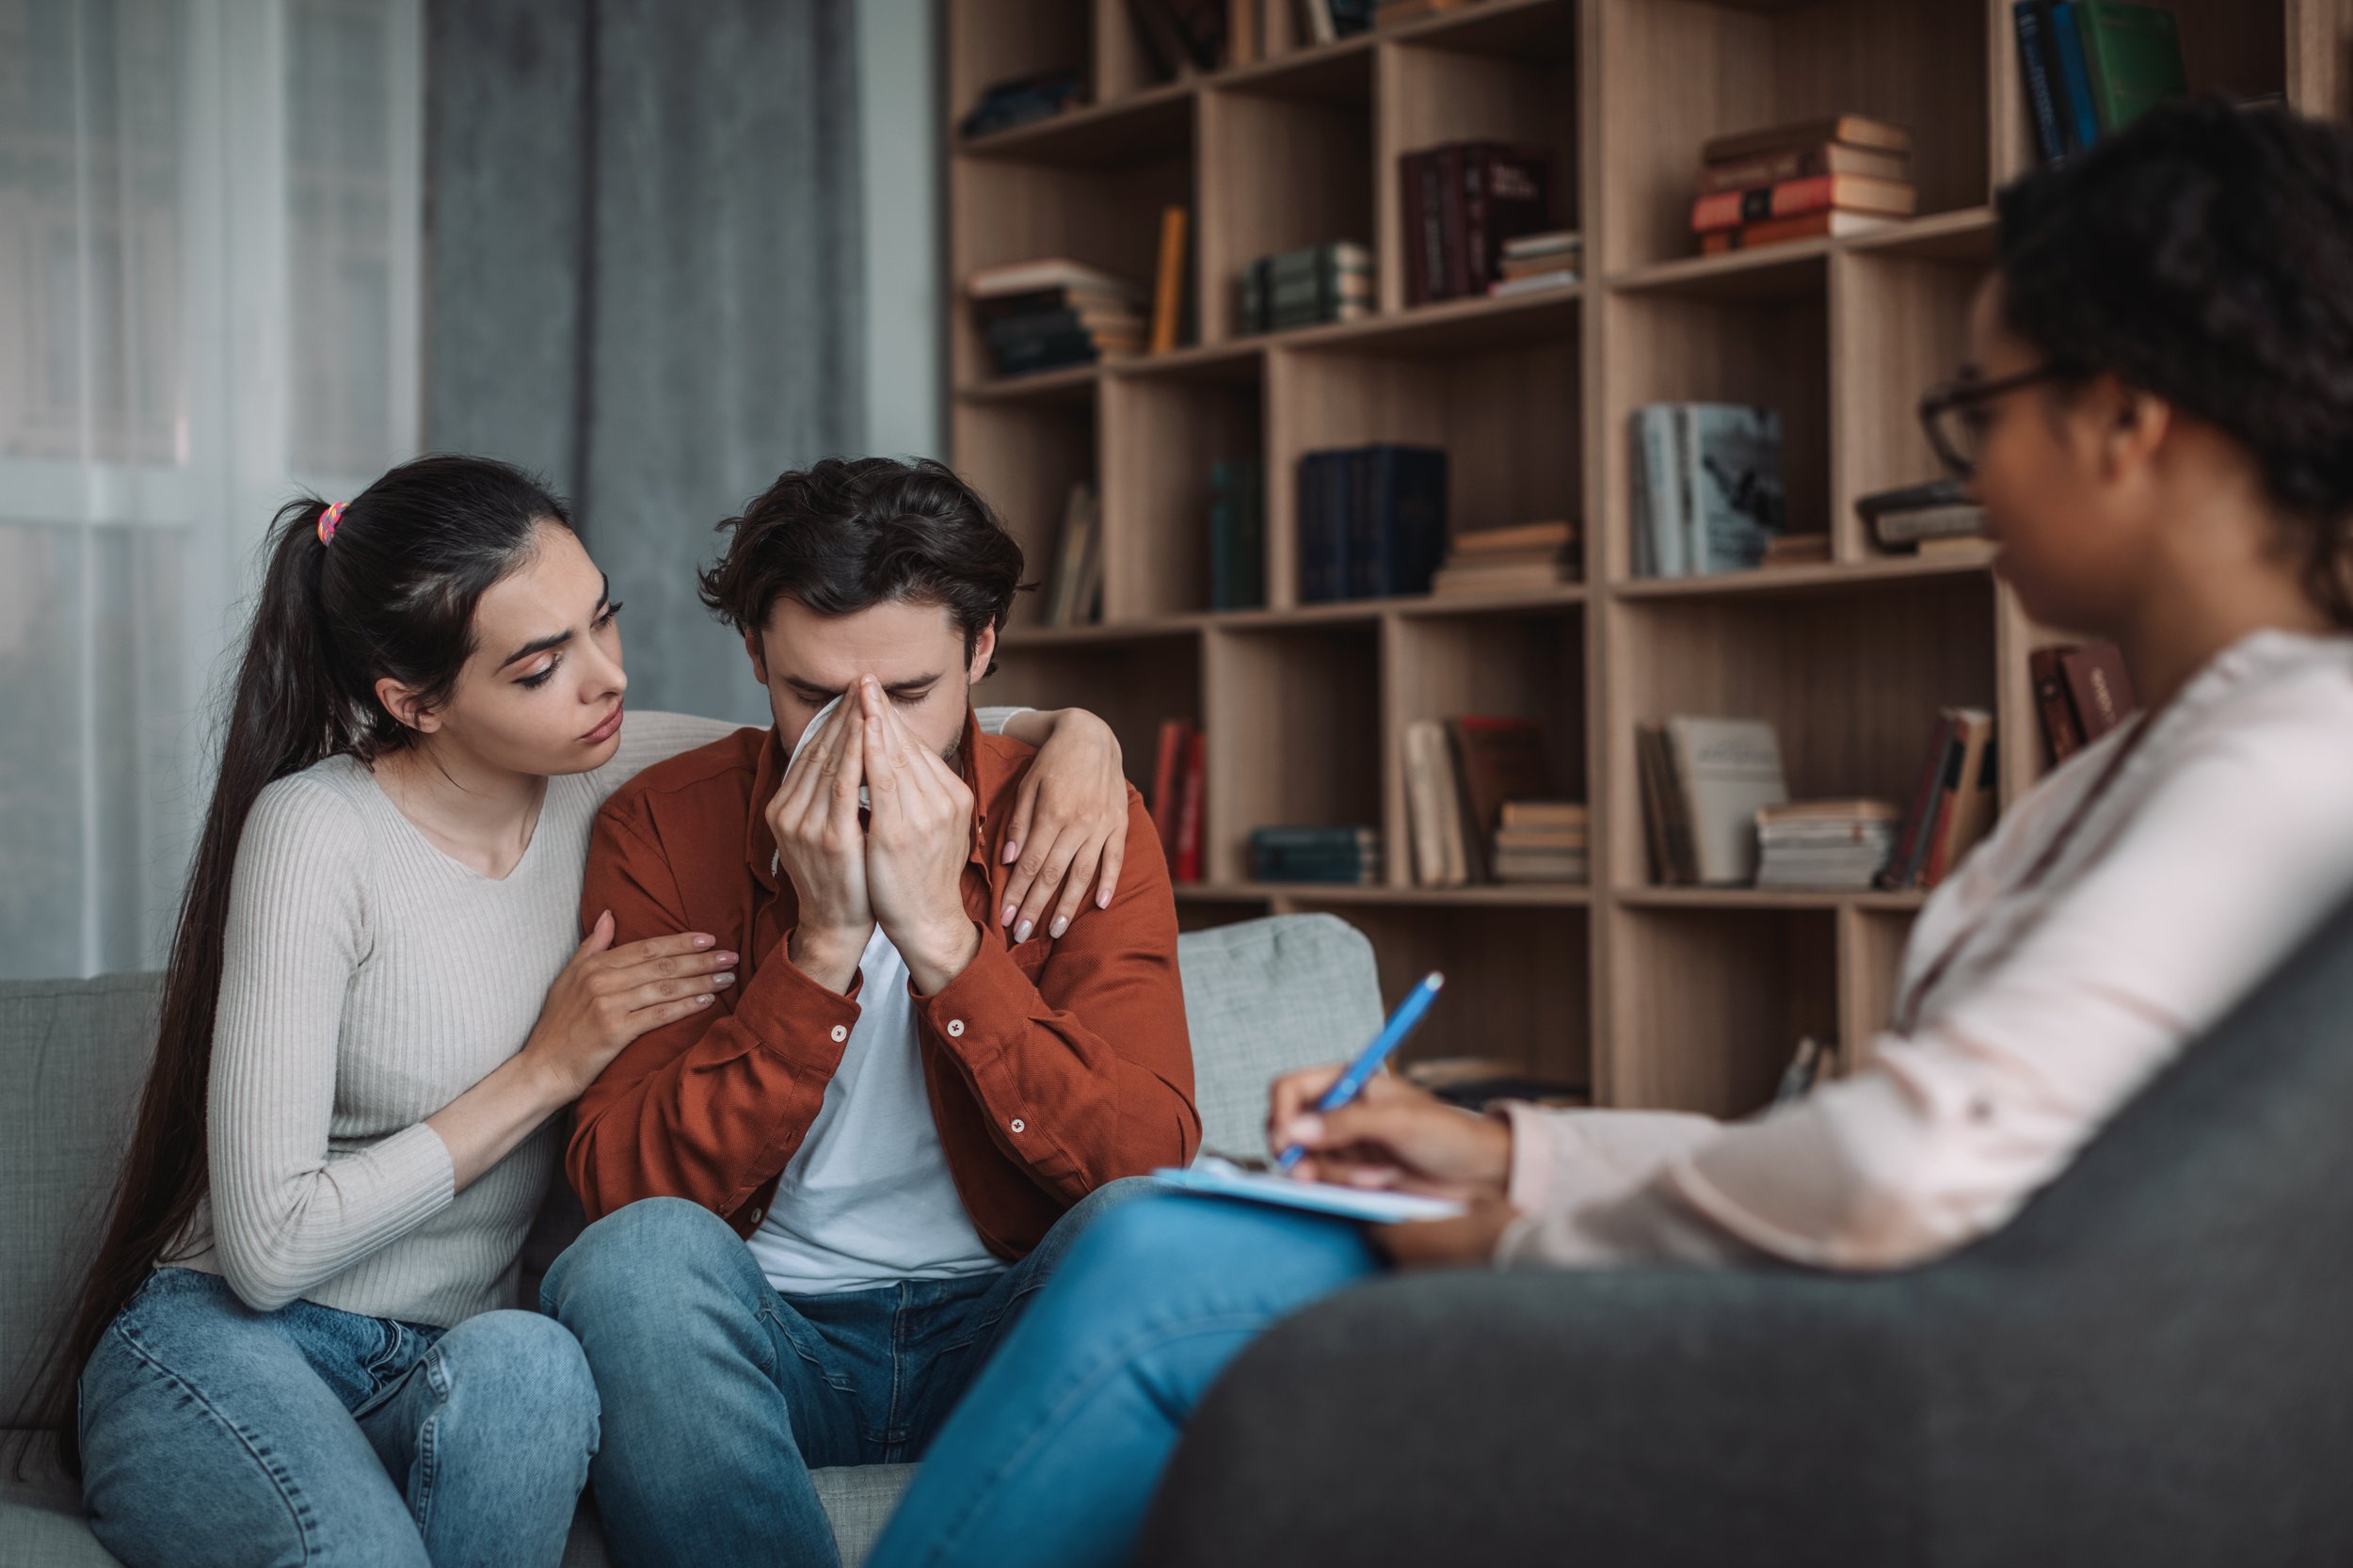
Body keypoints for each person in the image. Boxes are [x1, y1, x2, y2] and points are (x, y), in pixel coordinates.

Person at [865, 97, 2353, 1568]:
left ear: (2124, 419)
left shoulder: (2288, 754)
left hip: (1930, 1406)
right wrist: (1514, 1153)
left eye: (1981, 408)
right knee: (1162, 1251)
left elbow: (1914, 1165)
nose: (1967, 469)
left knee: (1168, 1274)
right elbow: (1934, 1144)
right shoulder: (2170, 754)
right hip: (1898, 1333)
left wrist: (1517, 1233)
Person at [40, 455, 1136, 1568]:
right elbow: (268, 1255)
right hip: (247, 1331)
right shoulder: (328, 829)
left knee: (540, 1367)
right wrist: (548, 1068)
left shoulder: (605, 761)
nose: (604, 679)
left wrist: (1075, 733)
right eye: (538, 665)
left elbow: (893, 708)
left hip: (459, 1358)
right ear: (412, 700)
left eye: (600, 620)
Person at [537, 456, 1198, 1568]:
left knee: (1153, 1241)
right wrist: (821, 946)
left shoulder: (1080, 814)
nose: (861, 737)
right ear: (753, 655)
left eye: (906, 694)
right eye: (809, 696)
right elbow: (625, 1192)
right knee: (629, 1268)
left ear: (981, 651)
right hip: (768, 1338)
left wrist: (946, 942)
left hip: (1005, 1335)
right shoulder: (663, 826)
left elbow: (1146, 1158)